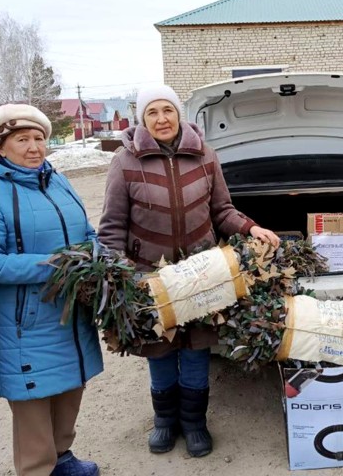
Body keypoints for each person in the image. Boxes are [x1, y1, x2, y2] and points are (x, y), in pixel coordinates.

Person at [98, 84, 280, 458]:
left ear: (178, 114)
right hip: (148, 275)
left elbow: (222, 211)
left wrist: (251, 227)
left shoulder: (205, 155)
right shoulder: (125, 160)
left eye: (168, 110)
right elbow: (113, 225)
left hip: (202, 273)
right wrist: (116, 274)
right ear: (143, 119)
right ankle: (165, 422)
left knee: (196, 348)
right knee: (160, 348)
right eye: (153, 113)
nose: (161, 119)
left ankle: (196, 423)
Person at [0, 104, 103, 476]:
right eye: (22, 140)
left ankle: (63, 459)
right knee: (34, 417)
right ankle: (39, 469)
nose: (33, 147)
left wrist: (96, 254)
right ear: (1, 146)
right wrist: (53, 265)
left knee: (69, 394)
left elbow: (86, 233)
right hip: (28, 324)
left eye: (39, 138)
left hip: (72, 315)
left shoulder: (58, 181)